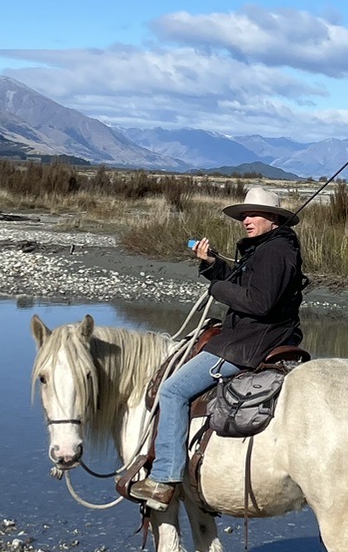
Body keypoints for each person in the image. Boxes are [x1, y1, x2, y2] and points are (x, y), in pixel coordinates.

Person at [126, 184, 305, 509]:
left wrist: (218, 289)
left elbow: (259, 302)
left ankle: (164, 480)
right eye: (244, 215)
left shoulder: (276, 252)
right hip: (256, 336)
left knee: (173, 391)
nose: (246, 220)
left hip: (251, 342)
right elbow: (245, 282)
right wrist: (212, 266)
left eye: (254, 214)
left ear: (274, 220)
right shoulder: (266, 248)